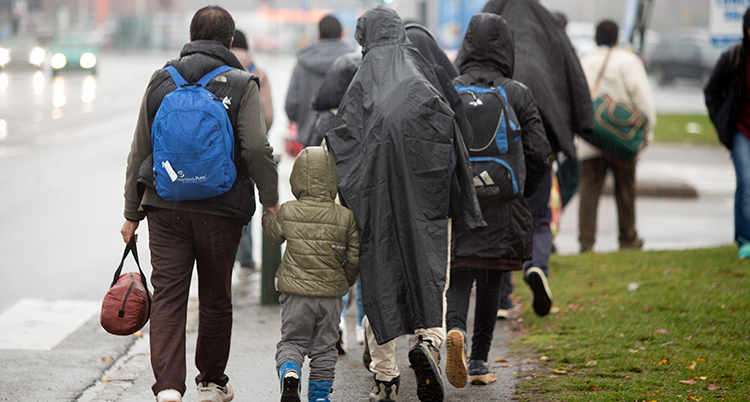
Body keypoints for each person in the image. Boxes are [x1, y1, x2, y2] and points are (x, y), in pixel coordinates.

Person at [120, 6, 279, 402]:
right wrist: (271, 200)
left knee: (169, 296)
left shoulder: (161, 80)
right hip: (221, 209)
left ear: (191, 35)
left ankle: (169, 389)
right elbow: (257, 149)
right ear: (230, 41)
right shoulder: (243, 84)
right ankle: (210, 382)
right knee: (215, 296)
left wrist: (131, 214)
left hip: (164, 205)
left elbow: (139, 149)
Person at [325, 6, 482, 402]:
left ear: (366, 37)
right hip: (428, 198)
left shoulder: (362, 81)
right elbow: (452, 123)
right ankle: (428, 341)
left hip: (374, 202)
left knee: (378, 276)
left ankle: (385, 374)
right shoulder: (424, 70)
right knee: (429, 268)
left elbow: (341, 141)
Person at [445, 11, 552, 388]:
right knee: (490, 278)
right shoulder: (517, 92)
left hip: (459, 201)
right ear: (505, 47)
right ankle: (477, 362)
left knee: (458, 270)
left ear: (468, 45)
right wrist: (520, 189)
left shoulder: (449, 88)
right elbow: (540, 153)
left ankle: (453, 330)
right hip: (501, 203)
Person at [482, 0, 594, 319]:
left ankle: (502, 300)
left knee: (498, 211)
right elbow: (573, 73)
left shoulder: (492, 15)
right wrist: (581, 123)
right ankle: (536, 267)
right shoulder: (548, 24)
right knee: (540, 217)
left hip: (496, 132)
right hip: (541, 132)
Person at [262, 146, 360, 402]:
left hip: (296, 295)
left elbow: (273, 236)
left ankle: (291, 373)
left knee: (292, 341)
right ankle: (319, 396)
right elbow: (354, 257)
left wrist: (267, 215)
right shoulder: (345, 216)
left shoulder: (290, 211)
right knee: (325, 348)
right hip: (330, 297)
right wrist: (344, 283)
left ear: (296, 179)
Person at [577, 20, 656, 254]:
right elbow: (643, 99)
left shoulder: (585, 62)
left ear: (595, 38)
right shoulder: (628, 61)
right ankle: (628, 238)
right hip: (623, 138)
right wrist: (647, 133)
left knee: (589, 190)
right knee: (625, 190)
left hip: (592, 138)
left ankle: (586, 241)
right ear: (616, 37)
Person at [705, 8, 750, 260]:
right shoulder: (734, 58)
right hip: (741, 129)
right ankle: (745, 239)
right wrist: (722, 123)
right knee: (745, 182)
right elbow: (711, 92)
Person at [231, 28, 274, 277]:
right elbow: (267, 116)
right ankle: (246, 260)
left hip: (218, 151)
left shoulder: (214, 70)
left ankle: (226, 260)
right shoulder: (258, 73)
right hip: (248, 150)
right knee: (245, 200)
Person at [285, 14, 352, 148]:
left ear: (319, 36)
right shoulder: (353, 62)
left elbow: (291, 106)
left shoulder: (302, 63)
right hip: (346, 143)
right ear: (341, 35)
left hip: (309, 141)